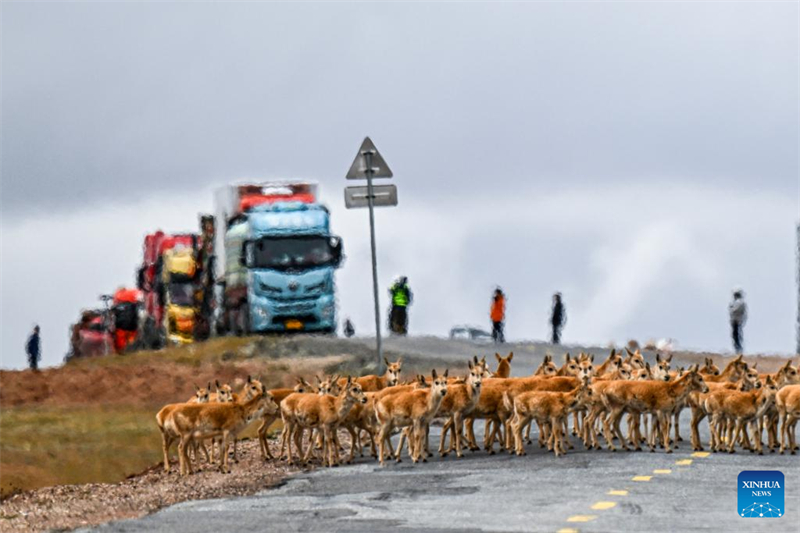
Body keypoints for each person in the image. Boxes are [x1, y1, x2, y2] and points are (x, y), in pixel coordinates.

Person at [729, 289, 747, 353]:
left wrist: (731, 308)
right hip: (737, 321)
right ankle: (738, 349)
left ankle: (738, 349)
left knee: (736, 336)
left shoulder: (739, 302)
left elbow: (734, 310)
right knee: (736, 336)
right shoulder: (740, 302)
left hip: (736, 321)